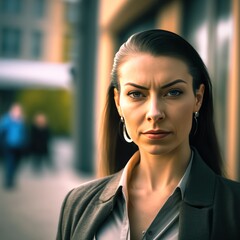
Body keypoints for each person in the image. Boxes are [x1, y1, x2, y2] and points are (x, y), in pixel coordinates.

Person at [56, 29, 240, 239]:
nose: (154, 113)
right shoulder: (78, 204)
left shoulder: (234, 209)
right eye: (136, 94)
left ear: (197, 98)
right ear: (118, 102)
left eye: (173, 92)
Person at [0, 103, 28, 189]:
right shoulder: (7, 120)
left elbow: (24, 133)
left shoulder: (21, 121)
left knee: (16, 164)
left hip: (18, 146)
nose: (17, 112)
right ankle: (8, 181)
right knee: (9, 163)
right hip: (8, 145)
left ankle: (12, 179)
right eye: (16, 110)